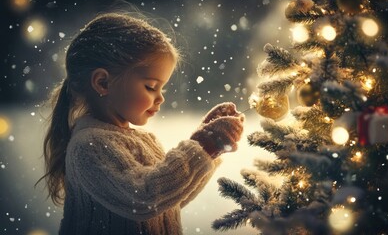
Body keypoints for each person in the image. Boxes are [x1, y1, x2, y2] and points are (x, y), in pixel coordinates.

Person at [36, 12, 244, 235]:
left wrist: (208, 149)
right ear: (103, 83)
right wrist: (202, 146)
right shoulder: (89, 146)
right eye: (151, 87)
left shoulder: (143, 140)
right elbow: (143, 199)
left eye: (161, 88)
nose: (161, 97)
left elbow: (168, 201)